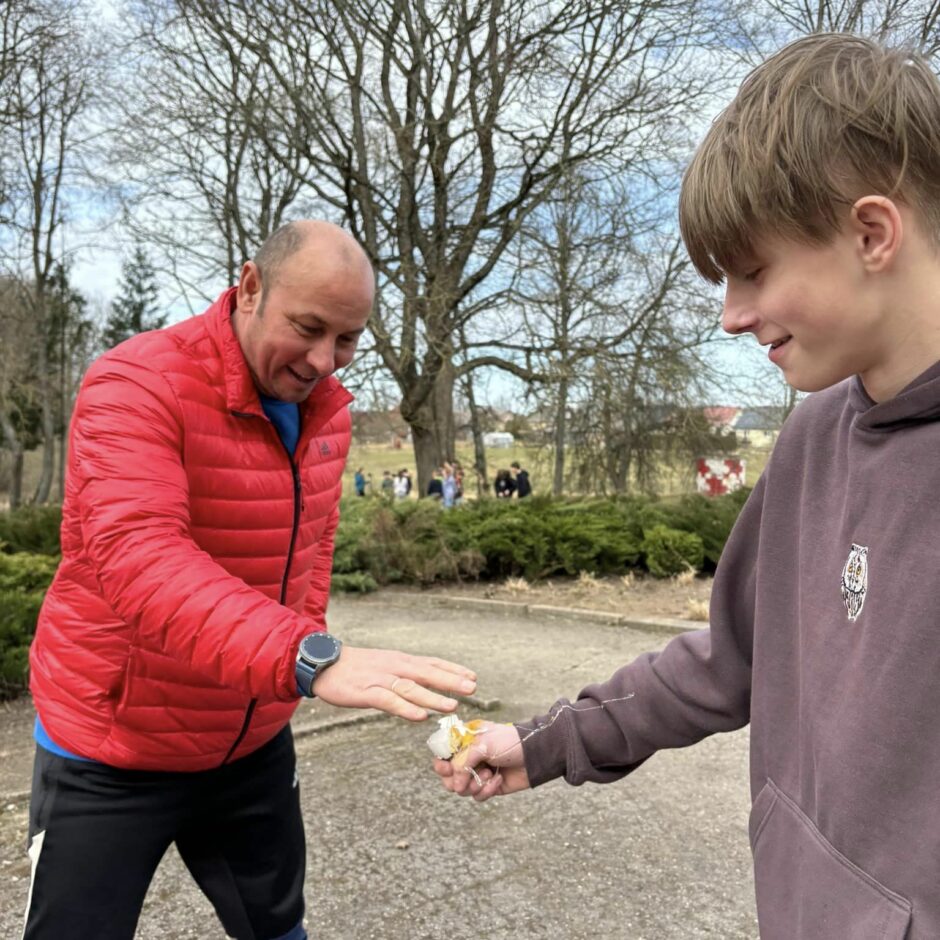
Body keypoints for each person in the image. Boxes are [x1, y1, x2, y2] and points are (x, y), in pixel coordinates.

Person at [435, 34, 940, 938]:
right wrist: (548, 743)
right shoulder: (812, 435)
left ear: (872, 233)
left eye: (754, 270)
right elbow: (730, 657)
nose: (732, 315)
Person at [24, 220, 477, 940]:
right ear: (249, 288)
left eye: (348, 339)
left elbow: (312, 553)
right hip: (114, 743)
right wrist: (307, 657)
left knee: (277, 927)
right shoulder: (133, 381)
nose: (324, 360)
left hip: (251, 736)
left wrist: (303, 640)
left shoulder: (326, 415)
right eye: (308, 327)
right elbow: (138, 557)